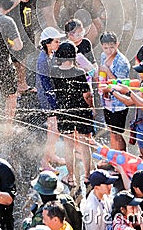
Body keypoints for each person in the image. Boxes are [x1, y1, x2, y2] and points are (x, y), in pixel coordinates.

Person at [51, 41, 94, 187]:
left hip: (64, 111)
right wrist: (91, 107)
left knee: (68, 145)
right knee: (84, 144)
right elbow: (87, 95)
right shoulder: (79, 72)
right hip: (81, 111)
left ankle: (71, 177)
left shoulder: (55, 72)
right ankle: (87, 176)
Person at [36, 27, 65, 170]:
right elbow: (45, 83)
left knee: (54, 130)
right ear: (48, 43)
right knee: (53, 131)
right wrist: (53, 101)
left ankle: (51, 154)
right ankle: (44, 161)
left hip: (50, 97)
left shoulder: (48, 55)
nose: (58, 43)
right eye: (56, 41)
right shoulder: (43, 59)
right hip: (48, 99)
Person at [98, 31, 130, 151]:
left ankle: (122, 157)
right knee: (111, 131)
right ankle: (115, 159)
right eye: (106, 47)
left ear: (117, 44)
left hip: (118, 103)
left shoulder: (122, 62)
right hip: (107, 100)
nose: (108, 50)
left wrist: (108, 72)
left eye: (112, 47)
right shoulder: (103, 56)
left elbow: (122, 86)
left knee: (118, 133)